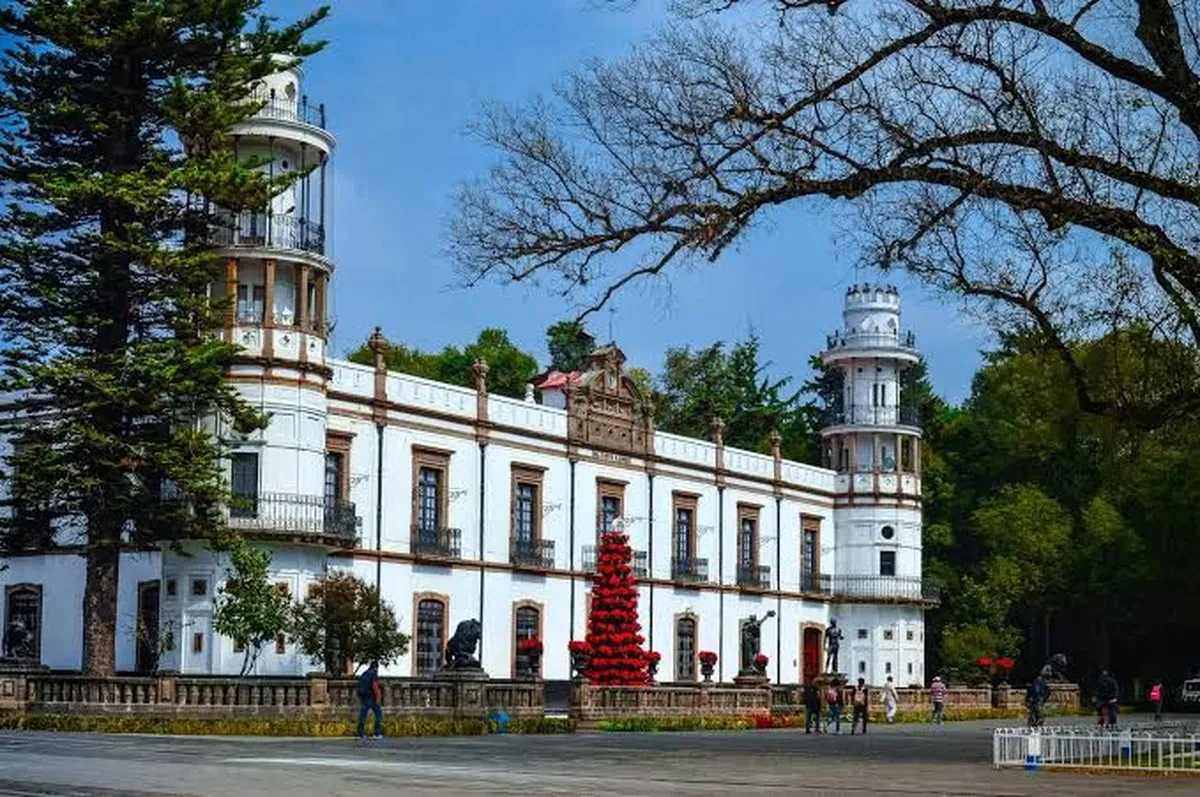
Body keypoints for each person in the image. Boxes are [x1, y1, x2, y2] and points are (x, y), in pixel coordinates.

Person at [356, 660, 383, 740]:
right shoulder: (373, 673)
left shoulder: (364, 673)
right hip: (372, 697)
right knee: (378, 714)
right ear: (376, 667)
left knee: (363, 715)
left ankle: (360, 733)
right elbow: (374, 685)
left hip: (364, 696)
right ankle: (377, 733)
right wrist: (378, 697)